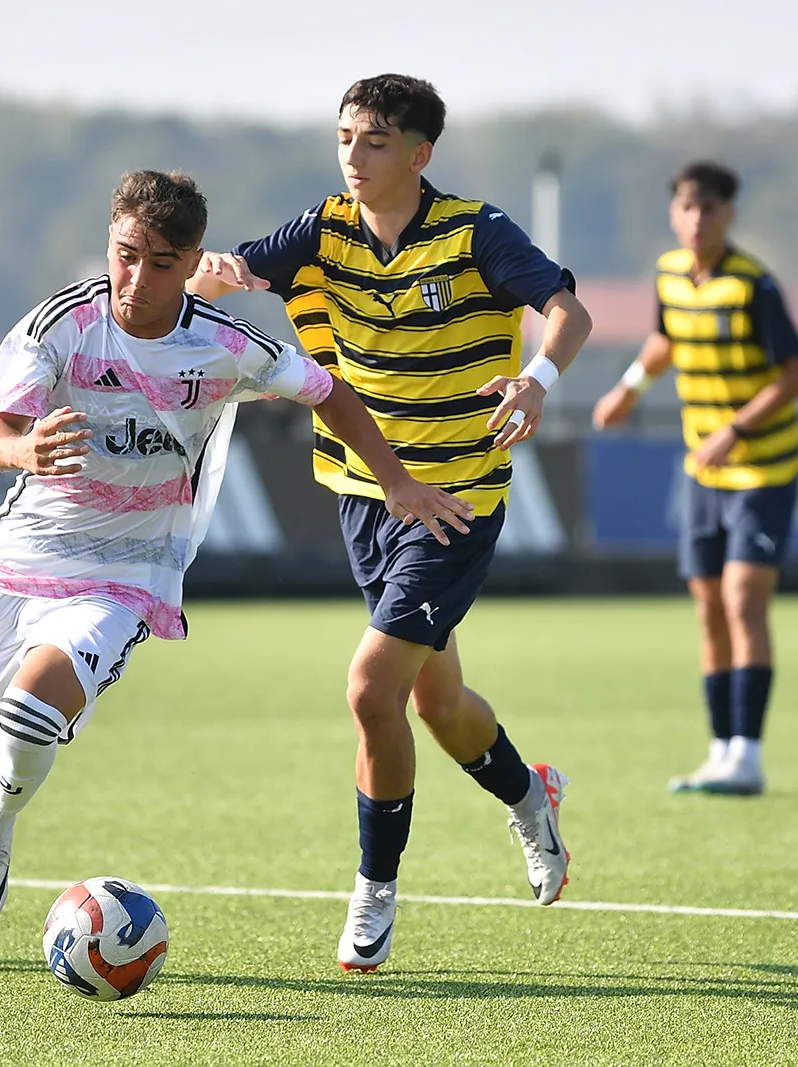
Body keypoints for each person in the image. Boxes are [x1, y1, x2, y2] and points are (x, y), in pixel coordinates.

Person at [0, 169, 469, 974]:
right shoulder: (61, 324)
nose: (137, 278)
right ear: (109, 242)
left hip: (129, 572)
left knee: (28, 713)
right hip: (20, 559)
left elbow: (329, 392)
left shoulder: (224, 345)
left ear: (192, 263)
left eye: (161, 263)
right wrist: (25, 449)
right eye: (126, 254)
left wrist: (395, 480)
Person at [190, 74, 592, 973]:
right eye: (344, 137)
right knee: (437, 703)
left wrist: (537, 381)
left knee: (372, 689)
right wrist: (214, 273)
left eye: (373, 141)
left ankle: (374, 889)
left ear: (420, 153)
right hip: (365, 494)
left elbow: (570, 311)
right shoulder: (323, 228)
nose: (353, 156)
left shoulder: (477, 233)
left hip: (454, 502)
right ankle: (531, 796)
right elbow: (237, 271)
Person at [593, 160, 798, 797]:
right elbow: (665, 339)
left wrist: (735, 430)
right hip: (703, 470)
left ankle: (749, 755)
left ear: (728, 215)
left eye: (709, 209)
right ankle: (720, 751)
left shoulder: (753, 285)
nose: (697, 220)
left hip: (763, 468)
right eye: (687, 208)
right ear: (674, 214)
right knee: (710, 606)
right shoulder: (669, 274)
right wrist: (629, 388)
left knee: (744, 598)